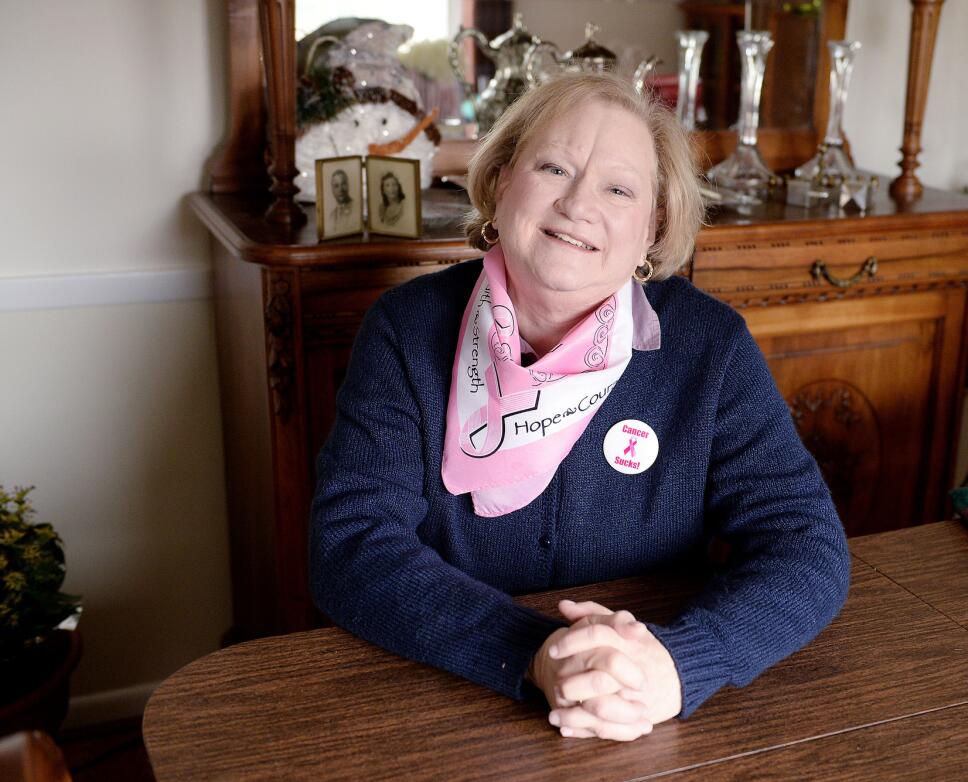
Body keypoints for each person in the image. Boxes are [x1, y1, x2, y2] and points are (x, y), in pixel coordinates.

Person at [310, 72, 850, 742]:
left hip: (653, 705)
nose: (577, 204)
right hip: (452, 695)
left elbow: (805, 543)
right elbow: (353, 545)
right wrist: (535, 653)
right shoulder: (406, 328)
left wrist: (678, 666)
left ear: (653, 224)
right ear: (502, 181)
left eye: (618, 188)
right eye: (553, 167)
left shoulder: (711, 346)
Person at [328, 168, 357, 232]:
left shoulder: (357, 209)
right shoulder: (332, 216)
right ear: (332, 189)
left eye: (343, 184)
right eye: (336, 186)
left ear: (348, 185)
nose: (340, 189)